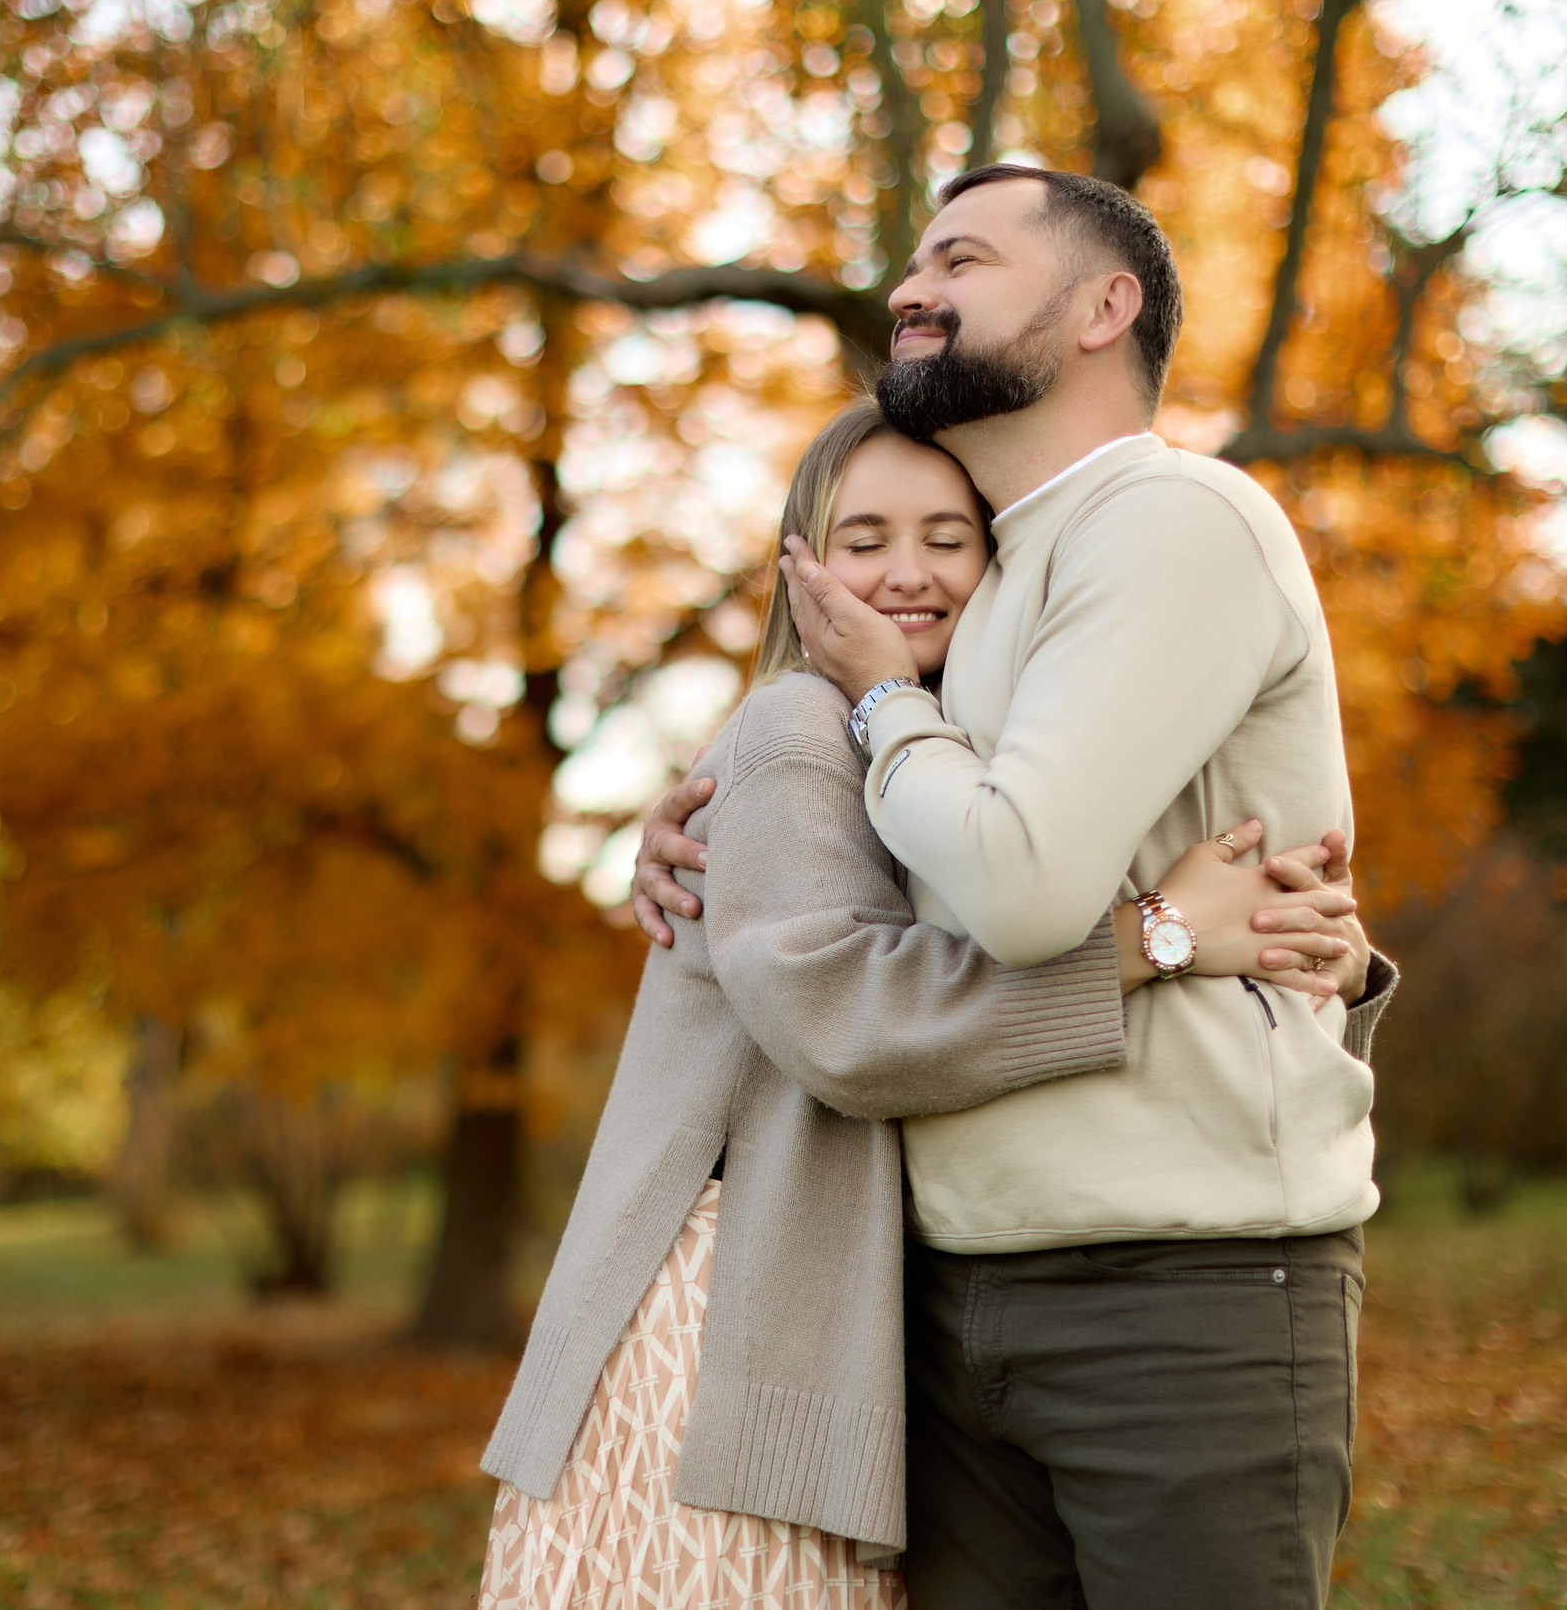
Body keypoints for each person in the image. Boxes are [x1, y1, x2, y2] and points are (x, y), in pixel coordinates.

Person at [481, 395, 1392, 1610]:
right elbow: (849, 1019)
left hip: (825, 1334)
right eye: (863, 541)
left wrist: (1297, 941)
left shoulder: (948, 758)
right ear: (799, 569)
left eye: (946, 538)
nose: (905, 574)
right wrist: (1158, 937)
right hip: (722, 1350)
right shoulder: (803, 729)